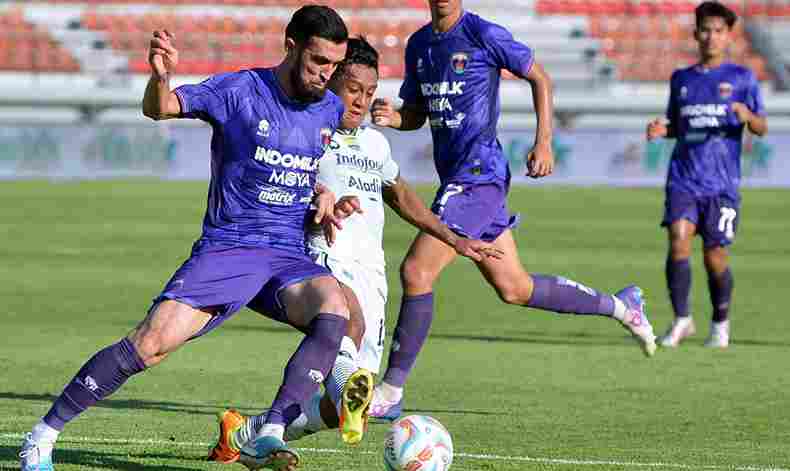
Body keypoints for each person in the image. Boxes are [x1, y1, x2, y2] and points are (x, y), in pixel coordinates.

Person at [19, 6, 357, 471]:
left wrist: (320, 195)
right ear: (291, 45)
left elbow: (302, 164)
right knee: (150, 344)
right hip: (231, 248)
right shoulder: (240, 90)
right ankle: (42, 435)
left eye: (334, 65)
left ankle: (270, 431)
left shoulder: (329, 108)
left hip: (286, 254)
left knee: (337, 308)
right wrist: (160, 77)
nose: (326, 74)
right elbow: (161, 109)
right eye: (319, 61)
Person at [206, 37, 502, 465]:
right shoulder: (309, 132)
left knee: (345, 407)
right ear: (332, 86)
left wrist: (453, 237)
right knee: (347, 358)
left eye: (369, 91)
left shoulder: (375, 144)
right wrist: (317, 207)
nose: (361, 100)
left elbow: (401, 196)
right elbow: (279, 190)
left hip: (371, 274)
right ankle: (291, 415)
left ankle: (247, 431)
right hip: (322, 260)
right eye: (353, 89)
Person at [367, 0, 657, 421]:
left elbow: (540, 77)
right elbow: (417, 114)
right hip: (460, 182)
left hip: (478, 177)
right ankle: (622, 306)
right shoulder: (419, 45)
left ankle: (390, 392)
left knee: (416, 271)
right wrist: (395, 119)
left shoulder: (483, 33)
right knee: (515, 288)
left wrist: (544, 140)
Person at [647, 1, 767, 349]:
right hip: (684, 177)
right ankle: (682, 319)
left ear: (728, 36)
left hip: (722, 183)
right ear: (696, 33)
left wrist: (748, 116)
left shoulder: (742, 78)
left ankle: (720, 322)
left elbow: (761, 127)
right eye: (705, 29)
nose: (711, 36)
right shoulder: (681, 79)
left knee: (715, 256)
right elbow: (678, 126)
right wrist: (661, 129)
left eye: (718, 31)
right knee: (678, 239)